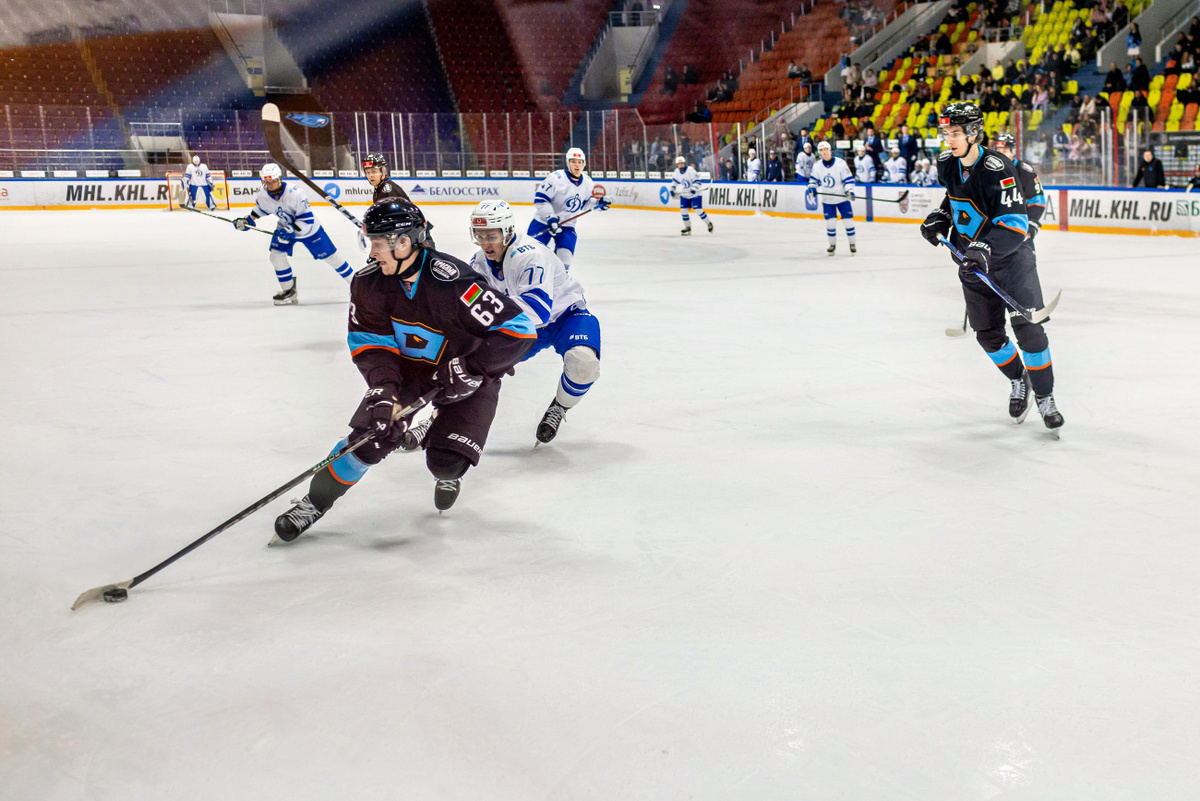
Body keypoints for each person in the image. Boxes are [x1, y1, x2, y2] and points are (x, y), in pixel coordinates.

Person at [272, 199, 537, 540]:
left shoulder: (454, 281)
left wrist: (472, 367)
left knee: (446, 463)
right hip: (407, 373)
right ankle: (315, 502)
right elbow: (372, 345)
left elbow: (518, 329)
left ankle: (440, 432)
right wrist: (383, 389)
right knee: (370, 437)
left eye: (378, 244)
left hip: (465, 371)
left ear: (403, 242)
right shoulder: (367, 284)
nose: (372, 252)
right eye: (370, 242)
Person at [920, 103, 1063, 433]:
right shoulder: (948, 163)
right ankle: (1019, 380)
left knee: (1029, 331)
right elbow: (955, 197)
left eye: (955, 133)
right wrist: (941, 217)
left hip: (1012, 261)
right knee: (988, 335)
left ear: (973, 133)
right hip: (973, 265)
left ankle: (1045, 396)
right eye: (946, 133)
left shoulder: (998, 168)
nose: (949, 140)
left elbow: (1016, 224)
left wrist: (985, 247)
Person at [466, 200, 600, 443]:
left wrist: (490, 326)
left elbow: (538, 310)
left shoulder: (530, 257)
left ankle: (560, 406)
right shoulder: (478, 262)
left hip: (566, 316)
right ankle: (436, 418)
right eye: (480, 236)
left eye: (492, 236)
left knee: (583, 363)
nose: (485, 243)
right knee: (471, 365)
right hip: (523, 322)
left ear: (507, 232)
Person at [235, 163, 354, 305]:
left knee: (332, 258)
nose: (270, 185)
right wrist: (247, 221)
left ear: (280, 179)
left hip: (309, 230)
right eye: (267, 182)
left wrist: (291, 230)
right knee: (276, 256)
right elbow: (259, 210)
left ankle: (358, 286)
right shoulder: (262, 194)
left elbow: (307, 219)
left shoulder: (295, 193)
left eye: (273, 181)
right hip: (284, 228)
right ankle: (289, 291)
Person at [528, 148, 611, 270]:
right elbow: (540, 200)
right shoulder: (555, 178)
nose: (577, 165)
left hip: (567, 225)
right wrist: (550, 218)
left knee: (565, 260)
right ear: (568, 163)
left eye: (580, 162)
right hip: (543, 223)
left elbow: (584, 203)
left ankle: (559, 280)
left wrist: (599, 203)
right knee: (531, 257)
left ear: (584, 164)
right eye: (573, 162)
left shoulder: (587, 182)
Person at [993, 132, 1047, 242]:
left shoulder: (1024, 171)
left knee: (1025, 253)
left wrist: (1032, 221)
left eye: (1005, 151)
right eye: (998, 151)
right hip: (994, 229)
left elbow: (1037, 199)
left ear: (1012, 152)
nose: (1000, 155)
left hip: (1018, 228)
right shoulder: (989, 170)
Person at [807, 140, 857, 255]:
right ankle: (832, 245)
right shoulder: (817, 165)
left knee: (848, 222)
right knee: (830, 223)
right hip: (828, 200)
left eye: (825, 150)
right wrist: (812, 188)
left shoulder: (840, 163)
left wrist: (849, 191)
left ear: (830, 150)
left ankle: (852, 244)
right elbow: (813, 180)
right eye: (821, 150)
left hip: (842, 199)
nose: (824, 152)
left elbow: (848, 180)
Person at [669, 154, 713, 235]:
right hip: (685, 194)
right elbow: (674, 182)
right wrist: (672, 189)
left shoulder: (691, 171)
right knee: (683, 211)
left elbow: (698, 181)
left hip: (695, 194)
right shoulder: (676, 172)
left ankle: (709, 223)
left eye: (682, 163)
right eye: (679, 164)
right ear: (677, 165)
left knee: (698, 210)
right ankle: (688, 227)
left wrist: (694, 188)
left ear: (684, 163)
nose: (681, 165)